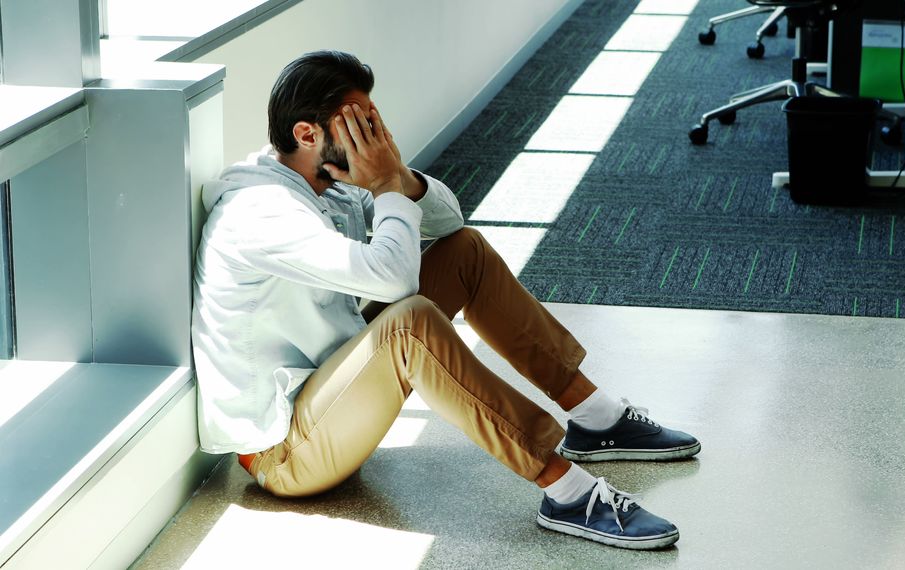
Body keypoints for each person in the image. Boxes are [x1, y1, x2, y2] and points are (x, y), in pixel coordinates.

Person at [192, 49, 700, 550]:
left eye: (375, 121)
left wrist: (400, 180)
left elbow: (448, 222)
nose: (378, 138)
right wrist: (386, 187)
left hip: (333, 394)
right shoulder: (262, 211)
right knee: (410, 321)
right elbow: (393, 283)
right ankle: (568, 493)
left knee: (464, 252)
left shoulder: (324, 181)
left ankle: (597, 419)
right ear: (307, 134)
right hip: (287, 452)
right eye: (362, 126)